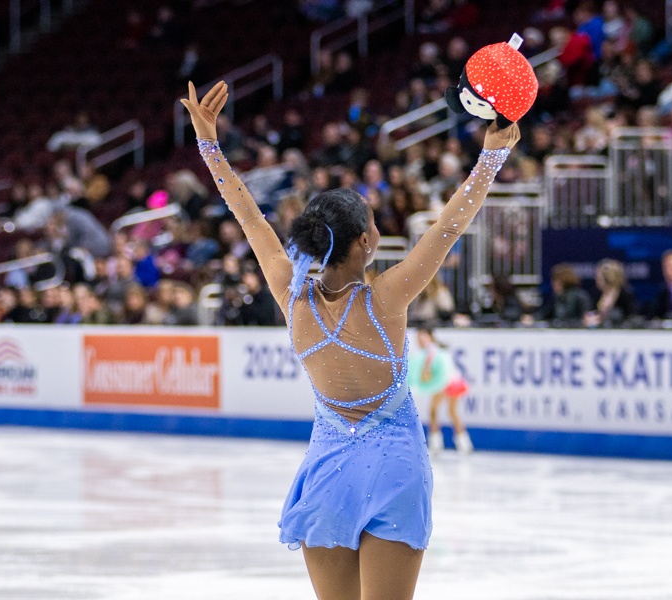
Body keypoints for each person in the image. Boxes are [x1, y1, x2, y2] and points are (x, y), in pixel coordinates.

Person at [181, 79, 519, 599]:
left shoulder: (289, 293)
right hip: (394, 470)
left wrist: (209, 144)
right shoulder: (386, 297)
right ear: (365, 241)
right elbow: (449, 227)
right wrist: (490, 160)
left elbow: (247, 214)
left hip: (328, 473)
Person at [408, 327, 473, 456]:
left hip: (445, 383)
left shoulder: (430, 351)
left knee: (434, 412)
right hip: (452, 381)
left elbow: (427, 373)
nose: (419, 341)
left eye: (422, 337)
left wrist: (424, 377)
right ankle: (463, 443)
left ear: (429, 337)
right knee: (452, 412)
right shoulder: (433, 350)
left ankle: (437, 444)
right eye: (418, 338)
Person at [584, 259, 637, 327]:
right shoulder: (596, 294)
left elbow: (631, 317)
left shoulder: (625, 295)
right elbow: (591, 313)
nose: (596, 279)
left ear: (608, 278)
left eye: (599, 277)